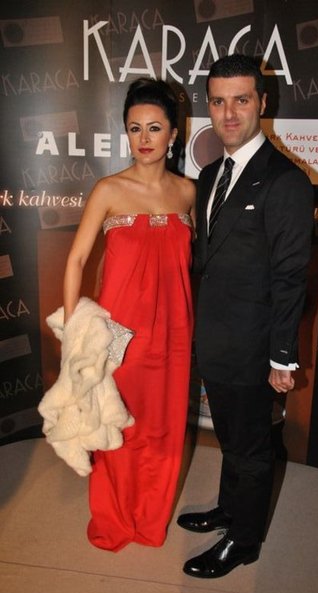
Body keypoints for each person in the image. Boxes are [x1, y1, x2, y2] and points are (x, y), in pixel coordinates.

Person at [177, 54, 314, 578]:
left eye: (240, 99)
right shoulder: (211, 174)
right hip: (215, 338)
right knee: (231, 437)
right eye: (218, 101)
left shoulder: (286, 181)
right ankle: (230, 509)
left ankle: (244, 540)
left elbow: (290, 276)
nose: (229, 113)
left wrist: (282, 357)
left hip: (256, 345)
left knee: (252, 446)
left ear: (262, 102)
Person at [63, 78, 195, 551]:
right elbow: (77, 261)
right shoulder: (108, 189)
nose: (144, 138)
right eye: (135, 128)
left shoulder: (188, 193)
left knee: (163, 428)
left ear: (173, 135)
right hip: (118, 334)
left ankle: (150, 517)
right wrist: (73, 331)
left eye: (154, 128)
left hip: (175, 332)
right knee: (118, 424)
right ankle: (115, 516)